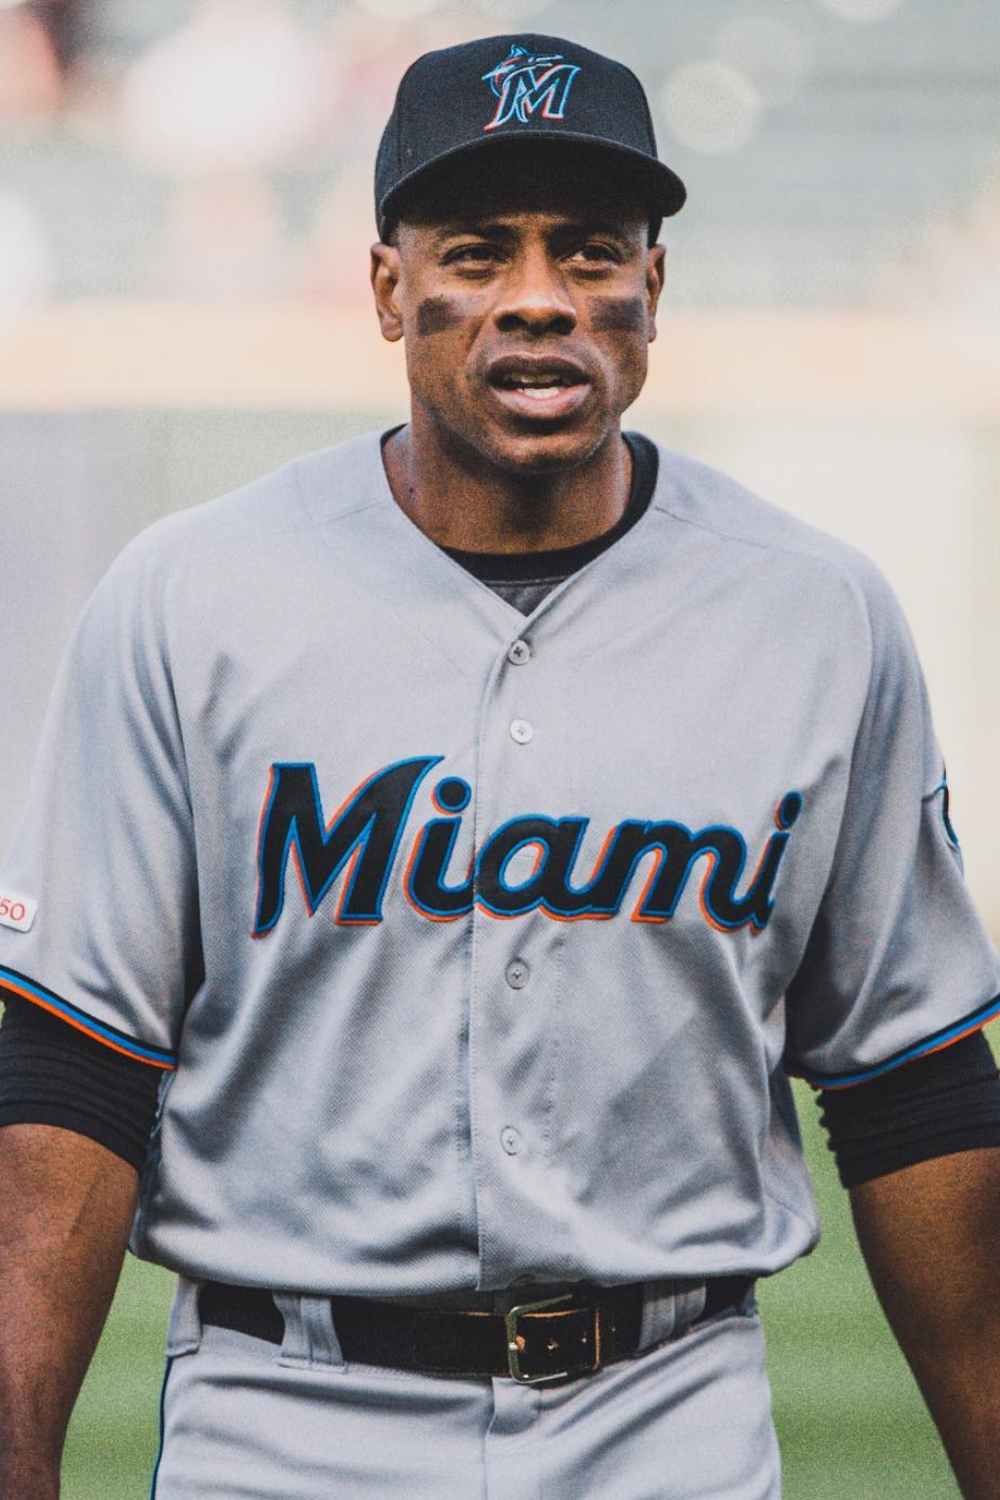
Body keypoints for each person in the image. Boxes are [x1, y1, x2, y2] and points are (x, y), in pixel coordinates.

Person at [1, 32, 999, 1500]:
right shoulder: (188, 598)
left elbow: (914, 1087)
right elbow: (69, 1073)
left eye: (593, 251)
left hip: (670, 1424)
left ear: (653, 294)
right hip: (287, 1427)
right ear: (390, 288)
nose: (542, 297)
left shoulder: (818, 616)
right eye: (478, 248)